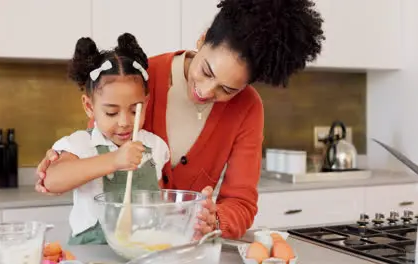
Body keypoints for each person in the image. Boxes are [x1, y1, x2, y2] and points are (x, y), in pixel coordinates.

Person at [36, 0, 325, 239]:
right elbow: (99, 142)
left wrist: (216, 219)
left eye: (228, 89)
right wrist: (63, 161)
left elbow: (241, 203)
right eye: (207, 71)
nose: (206, 91)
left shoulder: (248, 109)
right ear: (202, 39)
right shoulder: (140, 78)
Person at [44, 33, 170, 244]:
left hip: (144, 248)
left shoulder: (155, 146)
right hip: (92, 252)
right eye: (111, 112)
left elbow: (156, 197)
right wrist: (114, 160)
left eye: (134, 110)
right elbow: (52, 180)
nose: (124, 122)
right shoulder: (81, 144)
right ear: (89, 107)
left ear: (146, 104)